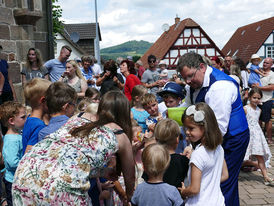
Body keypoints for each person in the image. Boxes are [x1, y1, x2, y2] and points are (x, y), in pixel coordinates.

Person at [12, 91, 135, 205]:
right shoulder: (119, 135)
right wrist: (128, 198)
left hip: (25, 173)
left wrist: (102, 172)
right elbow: (129, 179)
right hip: (62, 188)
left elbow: (70, 159)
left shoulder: (79, 116)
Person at [177, 52, 249, 206]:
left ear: (202, 67)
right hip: (209, 134)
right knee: (214, 179)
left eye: (190, 76)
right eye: (184, 78)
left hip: (233, 137)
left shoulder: (220, 87)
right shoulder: (194, 84)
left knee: (223, 183)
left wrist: (194, 148)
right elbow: (189, 109)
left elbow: (218, 127)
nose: (187, 81)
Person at [180, 103, 228, 206]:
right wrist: (209, 184)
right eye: (185, 128)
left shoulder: (198, 154)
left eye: (191, 128)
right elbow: (225, 175)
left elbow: (194, 189)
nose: (187, 132)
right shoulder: (219, 148)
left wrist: (183, 192)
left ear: (205, 127)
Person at [143, 119, 189, 188]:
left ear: (156, 139)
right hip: (177, 197)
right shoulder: (183, 161)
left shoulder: (152, 159)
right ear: (177, 139)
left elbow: (146, 179)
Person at [242, 88, 273, 185]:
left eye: (258, 98)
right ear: (250, 97)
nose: (256, 100)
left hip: (257, 135)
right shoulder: (245, 109)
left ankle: (266, 176)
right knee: (241, 156)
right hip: (247, 134)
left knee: (260, 156)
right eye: (254, 97)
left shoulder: (259, 110)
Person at [0, 102, 26, 206]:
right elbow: (12, 162)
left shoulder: (17, 134)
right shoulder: (12, 140)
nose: (26, 119)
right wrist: (27, 163)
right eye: (23, 117)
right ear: (11, 121)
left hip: (17, 179)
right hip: (13, 181)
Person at [22, 78, 51, 154]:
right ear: (43, 100)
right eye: (52, 99)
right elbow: (28, 153)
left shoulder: (29, 118)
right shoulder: (39, 126)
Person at [254, 57, 274, 144]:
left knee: (267, 120)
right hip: (256, 100)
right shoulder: (260, 72)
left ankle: (269, 138)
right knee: (257, 119)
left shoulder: (272, 74)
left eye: (267, 63)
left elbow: (271, 87)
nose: (264, 64)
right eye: (264, 62)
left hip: (266, 100)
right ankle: (259, 138)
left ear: (271, 65)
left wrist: (259, 87)